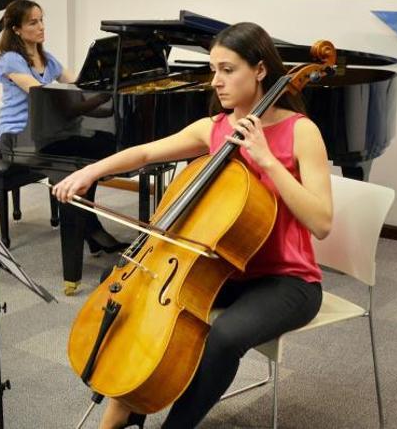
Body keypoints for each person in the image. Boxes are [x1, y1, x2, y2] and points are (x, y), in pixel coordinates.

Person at [52, 22, 333, 428]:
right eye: (213, 70)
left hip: (286, 280)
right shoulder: (215, 128)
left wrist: (267, 158)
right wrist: (91, 171)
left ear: (259, 70)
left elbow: (322, 223)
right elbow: (146, 152)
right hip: (221, 269)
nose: (216, 81)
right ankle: (123, 413)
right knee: (134, 304)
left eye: (227, 70)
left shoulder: (301, 132)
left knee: (224, 338)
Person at [0, 0, 127, 295]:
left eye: (42, 20)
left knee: (96, 150)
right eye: (32, 22)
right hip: (17, 137)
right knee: (76, 164)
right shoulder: (10, 60)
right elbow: (42, 95)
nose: (41, 27)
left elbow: (76, 85)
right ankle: (75, 265)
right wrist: (88, 104)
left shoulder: (47, 58)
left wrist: (105, 93)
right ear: (16, 29)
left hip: (47, 134)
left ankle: (90, 229)